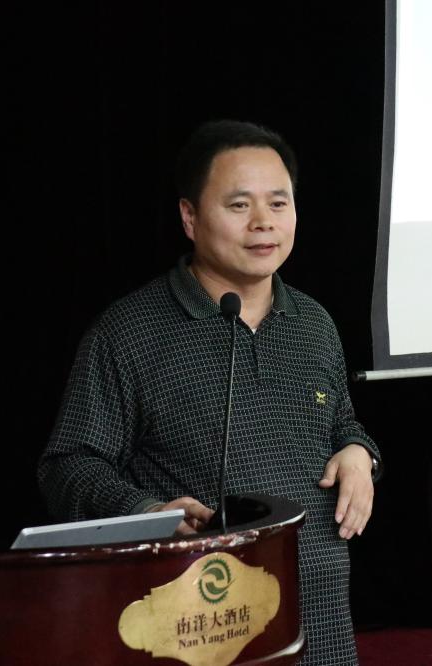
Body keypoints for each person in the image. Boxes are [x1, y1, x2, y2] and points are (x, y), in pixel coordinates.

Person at [37, 119, 380, 665]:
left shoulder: (313, 323)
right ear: (189, 217)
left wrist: (360, 453)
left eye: (278, 203)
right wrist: (148, 512)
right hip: (203, 622)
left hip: (320, 619)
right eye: (239, 205)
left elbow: (340, 424)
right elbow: (68, 466)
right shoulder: (128, 333)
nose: (264, 222)